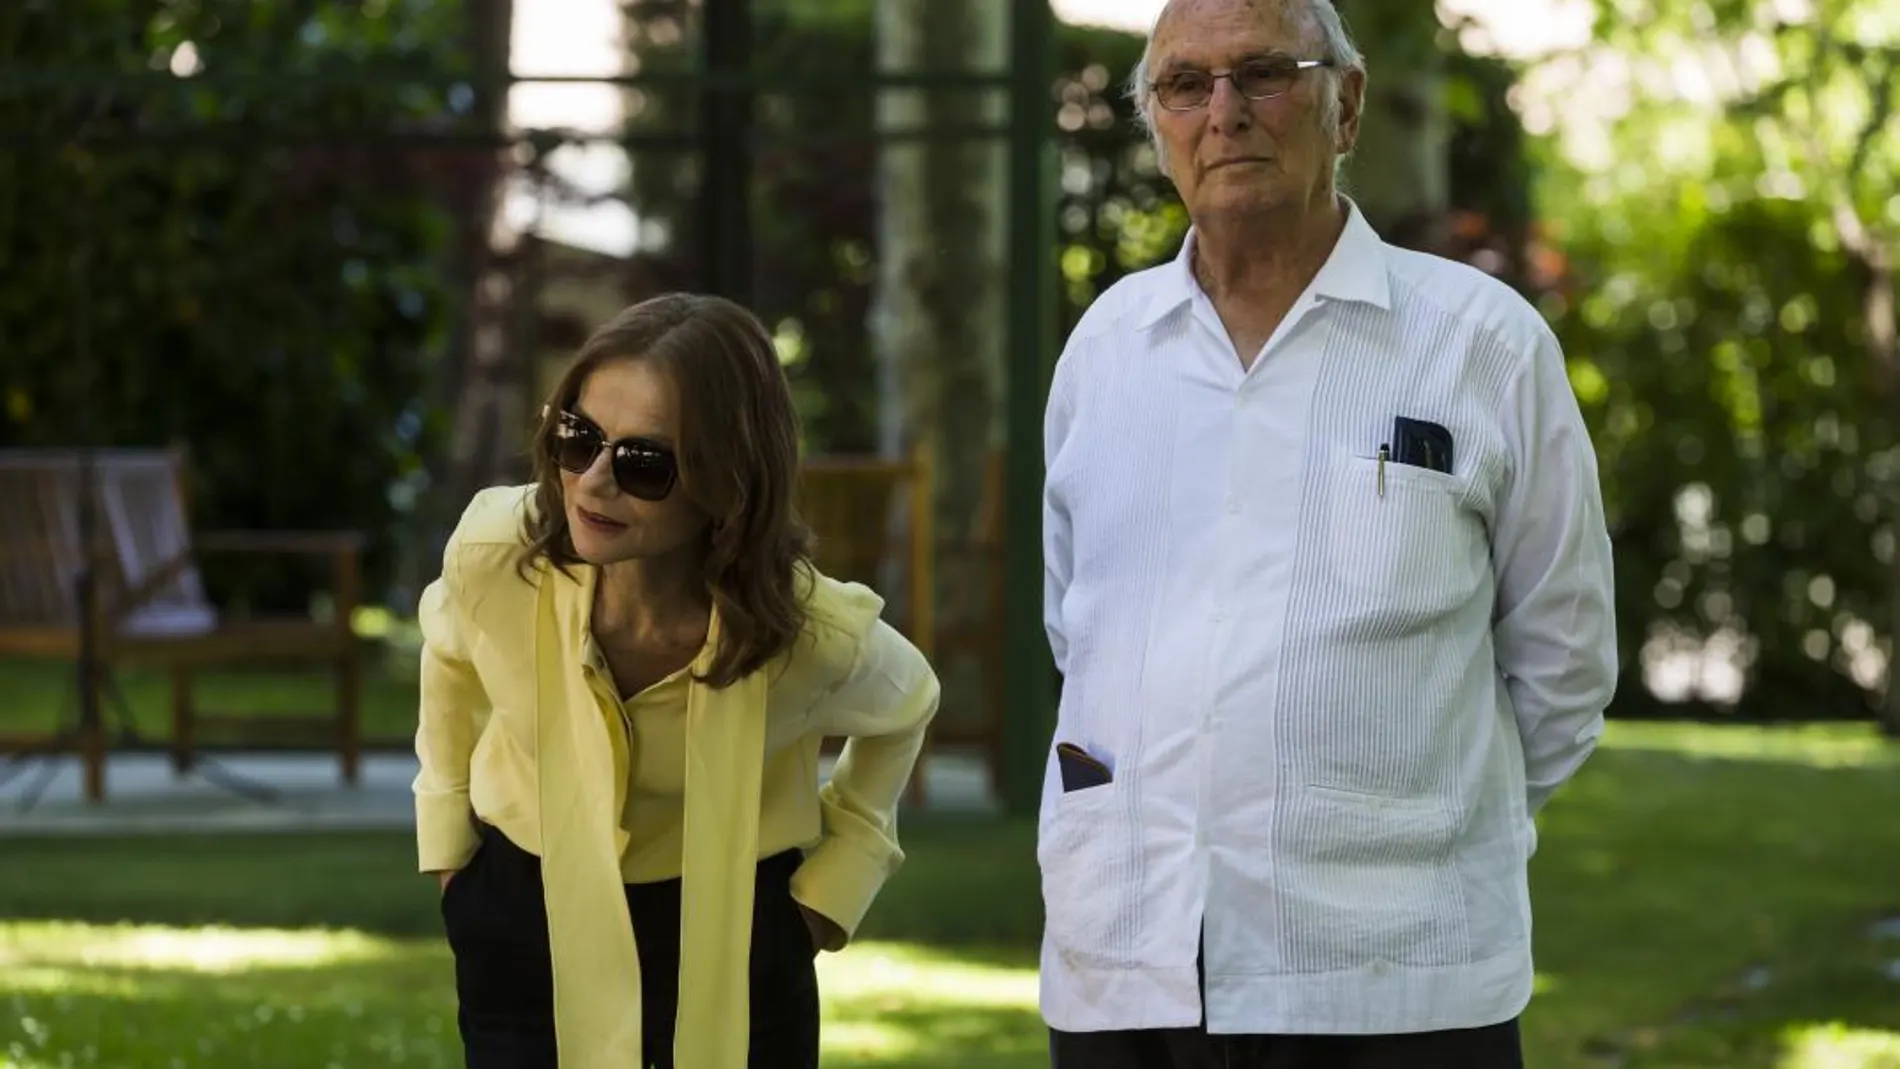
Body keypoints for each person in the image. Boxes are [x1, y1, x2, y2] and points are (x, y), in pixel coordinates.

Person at [1036, 1, 1617, 1067]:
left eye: (1262, 74)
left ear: (1344, 106)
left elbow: (1564, 662)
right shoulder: (1105, 351)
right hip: (1127, 960)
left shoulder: (1481, 346)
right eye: (1183, 84)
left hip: (1396, 978)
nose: (1224, 113)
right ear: (1155, 122)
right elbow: (1082, 633)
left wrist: (1417, 812)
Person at [412, 293, 941, 1069]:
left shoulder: (809, 635)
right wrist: (451, 846)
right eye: (578, 436)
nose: (592, 483)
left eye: (644, 462)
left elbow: (909, 704)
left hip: (729, 928)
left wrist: (833, 888)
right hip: (523, 918)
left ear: (726, 479)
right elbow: (449, 650)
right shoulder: (497, 553)